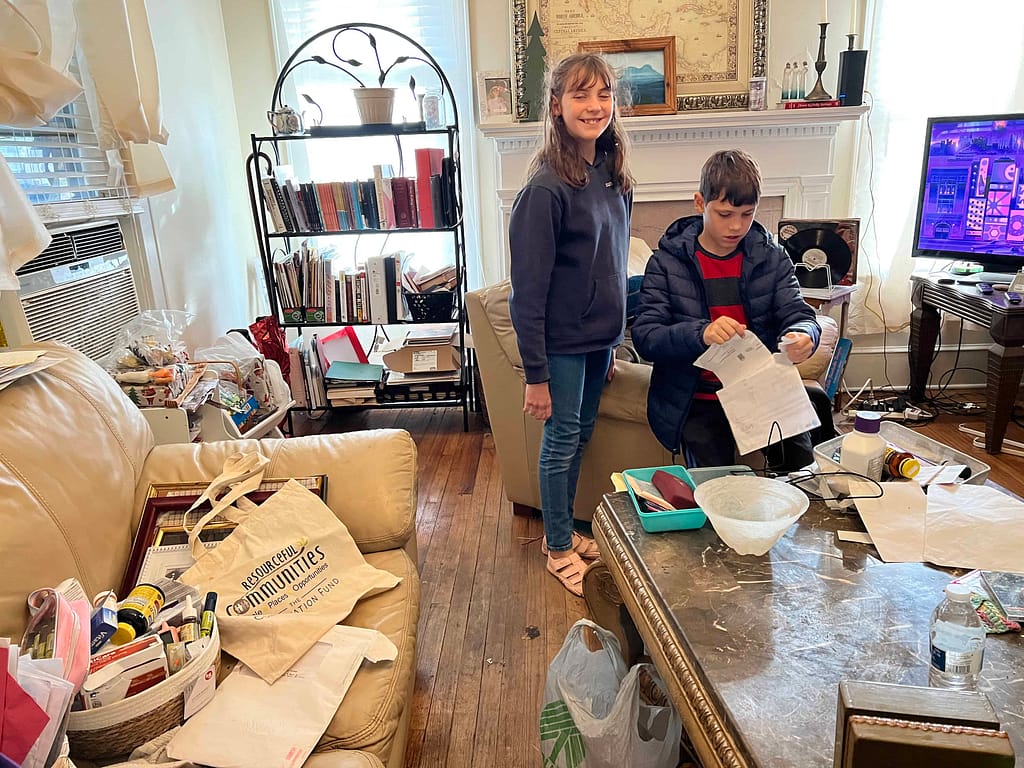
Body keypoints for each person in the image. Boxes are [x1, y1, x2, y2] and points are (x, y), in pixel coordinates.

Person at [508, 52, 634, 596]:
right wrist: (536, 375)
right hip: (558, 345)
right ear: (557, 107)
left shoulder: (612, 176)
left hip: (597, 343)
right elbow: (527, 293)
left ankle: (560, 532)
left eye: (604, 94)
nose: (595, 105)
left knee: (580, 434)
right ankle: (558, 543)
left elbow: (614, 267)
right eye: (581, 94)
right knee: (560, 440)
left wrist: (612, 343)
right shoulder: (545, 191)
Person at [632, 149, 822, 471]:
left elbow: (798, 313)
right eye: (723, 214)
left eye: (747, 214)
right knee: (716, 488)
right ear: (699, 203)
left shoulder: (771, 257)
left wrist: (805, 334)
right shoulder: (665, 262)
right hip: (698, 397)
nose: (736, 226)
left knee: (802, 473)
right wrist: (701, 333)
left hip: (762, 389)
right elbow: (646, 337)